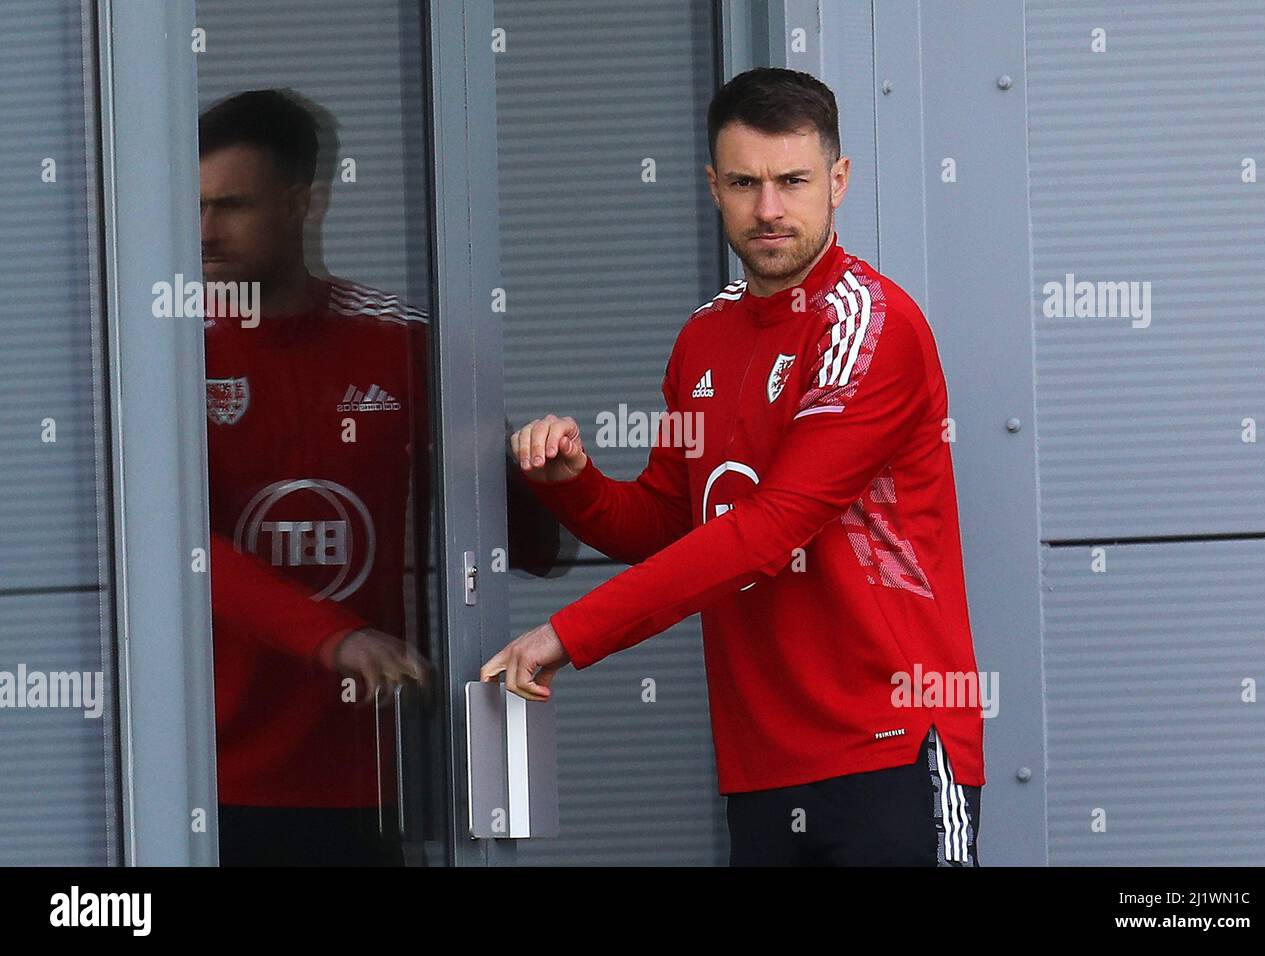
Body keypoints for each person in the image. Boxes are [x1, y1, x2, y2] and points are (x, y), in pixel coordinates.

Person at [482, 67, 985, 866]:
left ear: (839, 181)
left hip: (889, 746)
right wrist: (570, 482)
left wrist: (567, 634)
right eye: (746, 183)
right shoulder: (704, 337)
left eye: (794, 181)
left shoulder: (869, 326)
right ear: (714, 186)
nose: (770, 209)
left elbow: (769, 529)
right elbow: (666, 525)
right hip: (761, 763)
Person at [200, 88, 431, 865]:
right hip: (213, 778)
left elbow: (509, 542)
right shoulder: (169, 349)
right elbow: (171, 542)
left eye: (232, 206)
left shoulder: (398, 342)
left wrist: (539, 470)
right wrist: (332, 636)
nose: (205, 231)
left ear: (304, 203)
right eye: (194, 207)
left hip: (367, 777)